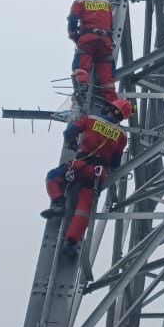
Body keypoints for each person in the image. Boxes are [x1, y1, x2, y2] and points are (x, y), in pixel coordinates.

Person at [41, 104, 130, 259]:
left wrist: (72, 143)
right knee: (83, 209)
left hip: (79, 166)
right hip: (97, 174)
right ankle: (71, 243)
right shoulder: (121, 135)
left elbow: (69, 132)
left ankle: (58, 204)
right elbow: (115, 163)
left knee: (53, 177)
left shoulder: (91, 119)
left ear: (109, 108)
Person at [68, 0, 132, 117]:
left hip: (88, 38)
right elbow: (111, 25)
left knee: (82, 64)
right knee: (107, 75)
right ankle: (112, 103)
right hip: (105, 41)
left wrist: (74, 36)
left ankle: (82, 87)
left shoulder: (80, 2)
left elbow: (73, 20)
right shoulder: (106, 4)